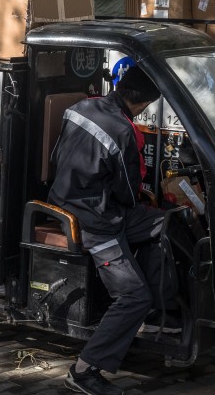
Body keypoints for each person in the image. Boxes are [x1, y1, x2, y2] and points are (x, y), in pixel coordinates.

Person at [49, 65, 178, 395]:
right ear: (145, 104)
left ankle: (162, 311)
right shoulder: (123, 133)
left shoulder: (81, 107)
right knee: (135, 296)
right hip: (96, 220)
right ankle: (84, 369)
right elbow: (128, 193)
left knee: (167, 223)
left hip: (68, 198)